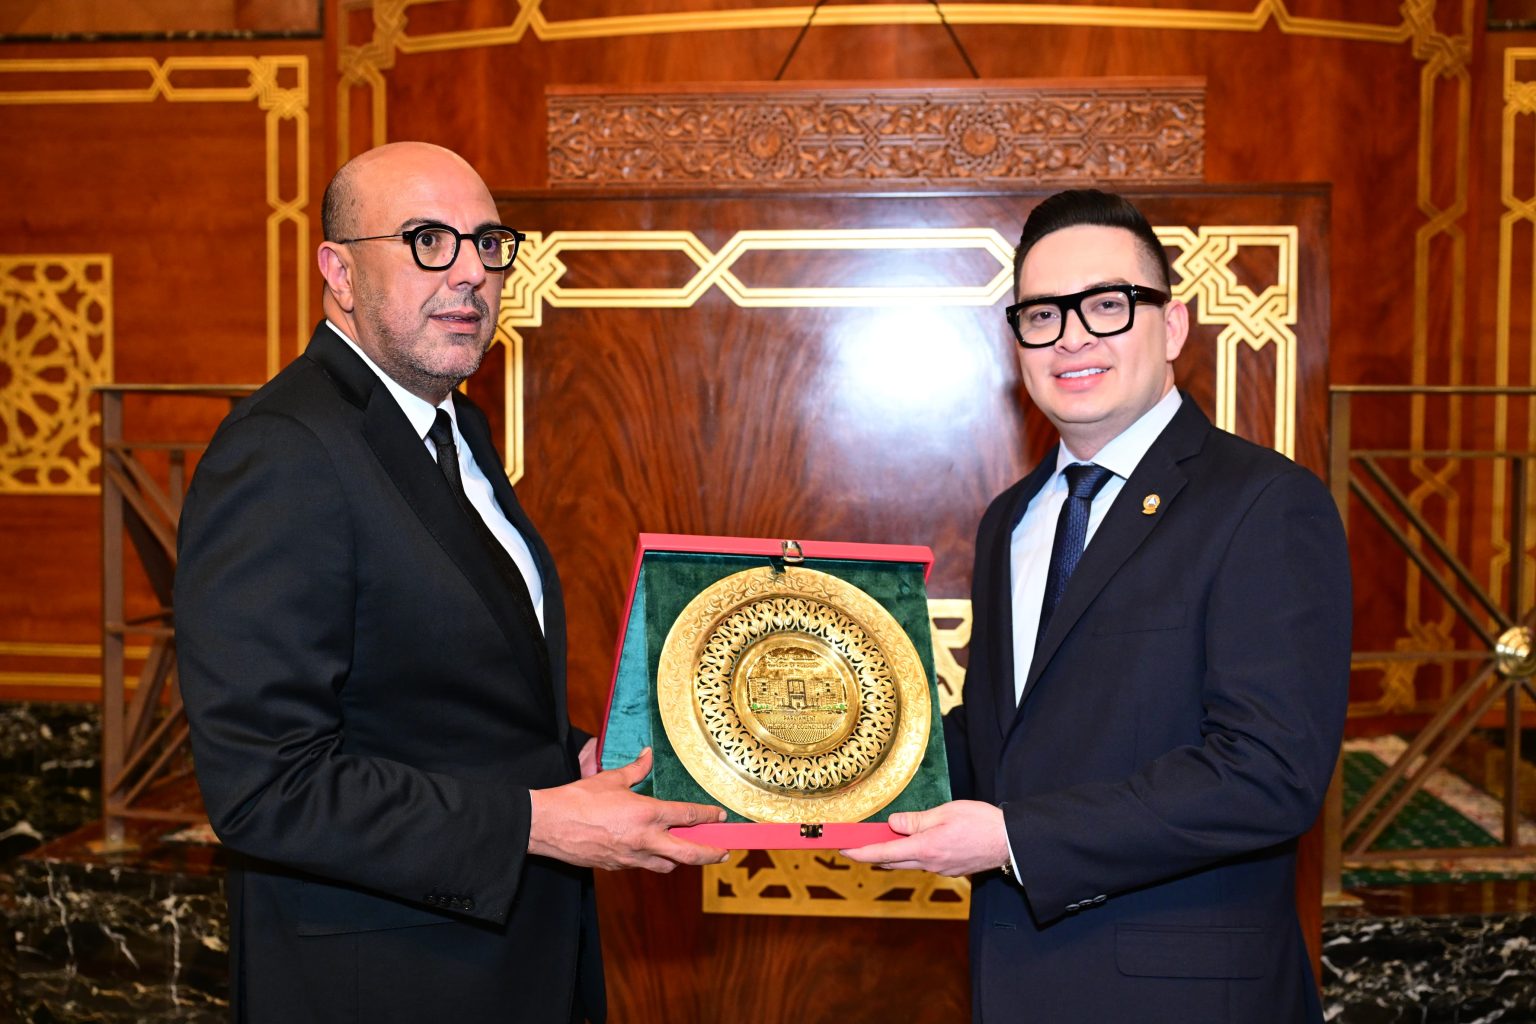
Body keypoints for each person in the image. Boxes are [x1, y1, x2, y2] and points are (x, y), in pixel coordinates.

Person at [175, 141, 727, 1024]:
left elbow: (434, 694)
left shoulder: (453, 424)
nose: (471, 272)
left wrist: (572, 760)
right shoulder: (283, 451)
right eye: (428, 241)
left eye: (488, 244)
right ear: (339, 272)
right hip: (383, 980)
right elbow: (265, 787)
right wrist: (536, 822)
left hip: (510, 959)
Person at [844, 189, 1351, 1022]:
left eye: (1107, 305)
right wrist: (795, 762)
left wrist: (1014, 839)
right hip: (1016, 983)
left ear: (1173, 326)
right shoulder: (1011, 518)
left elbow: (1270, 773)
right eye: (1042, 315)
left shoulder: (1264, 503)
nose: (1071, 336)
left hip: (1185, 1000)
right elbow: (1002, 740)